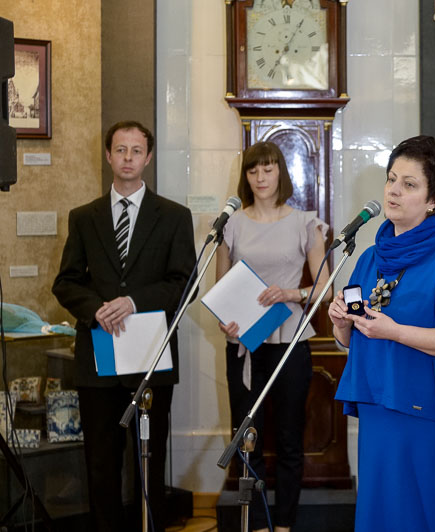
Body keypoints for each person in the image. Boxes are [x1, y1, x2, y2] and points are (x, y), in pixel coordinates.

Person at [328, 135, 435, 531]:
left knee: (426, 519)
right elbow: (353, 339)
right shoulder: (370, 258)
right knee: (381, 517)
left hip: (429, 417)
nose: (393, 191)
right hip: (378, 407)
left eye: (409, 184)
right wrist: (341, 323)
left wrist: (397, 332)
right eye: (391, 179)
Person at [52, 121, 196, 531]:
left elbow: (185, 283)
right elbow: (66, 282)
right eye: (120, 150)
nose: (128, 158)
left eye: (136, 150)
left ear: (148, 157)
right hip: (98, 356)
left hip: (150, 357)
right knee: (101, 463)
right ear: (108, 156)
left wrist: (133, 302)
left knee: (148, 461)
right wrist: (95, 308)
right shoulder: (84, 217)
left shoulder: (174, 216)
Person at [216, 141, 330, 532]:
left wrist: (290, 293)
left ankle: (283, 524)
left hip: (290, 341)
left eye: (268, 169)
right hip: (245, 343)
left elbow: (325, 289)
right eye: (253, 171)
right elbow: (221, 290)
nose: (261, 177)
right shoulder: (231, 224)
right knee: (247, 436)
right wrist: (225, 321)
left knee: (288, 436)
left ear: (281, 171)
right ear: (245, 177)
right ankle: (258, 524)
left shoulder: (305, 222)